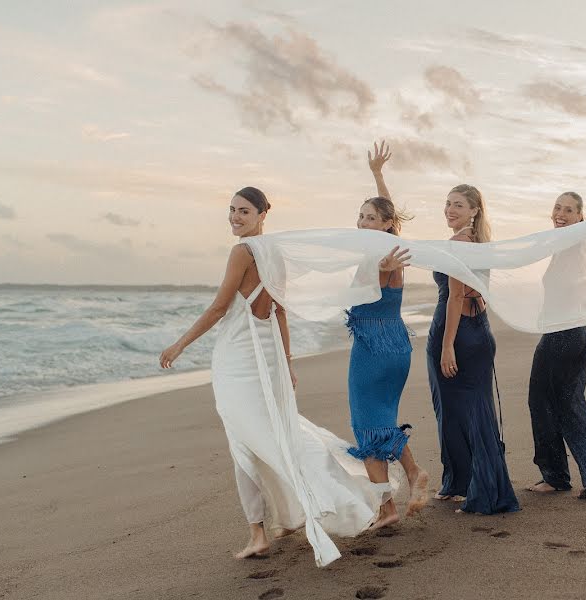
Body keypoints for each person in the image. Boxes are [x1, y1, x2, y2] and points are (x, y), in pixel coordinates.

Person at [159, 187, 394, 567]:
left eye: (244, 211)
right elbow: (278, 311)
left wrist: (179, 344)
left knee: (245, 441)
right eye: (232, 210)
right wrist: (286, 360)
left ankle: (260, 532)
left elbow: (221, 307)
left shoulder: (243, 252)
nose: (235, 217)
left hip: (239, 359)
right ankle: (282, 519)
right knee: (273, 433)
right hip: (265, 355)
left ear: (262, 213)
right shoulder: (275, 252)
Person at [404, 180, 520, 515]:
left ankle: (483, 492)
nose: (450, 210)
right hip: (478, 330)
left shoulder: (459, 243)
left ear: (473, 210)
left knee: (462, 413)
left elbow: (455, 295)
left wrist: (447, 347)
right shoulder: (479, 242)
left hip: (455, 333)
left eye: (458, 204)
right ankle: (459, 483)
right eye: (448, 203)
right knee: (467, 412)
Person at [344, 141, 430, 528]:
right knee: (380, 423)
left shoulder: (382, 256)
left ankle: (397, 497)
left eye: (369, 217)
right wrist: (378, 176)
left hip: (372, 348)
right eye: (360, 217)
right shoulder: (391, 246)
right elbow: (389, 219)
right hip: (396, 343)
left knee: (367, 427)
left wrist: (381, 264)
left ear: (384, 225)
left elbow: (381, 264)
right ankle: (400, 492)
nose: (362, 223)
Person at [526, 191, 586, 499]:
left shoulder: (569, 247)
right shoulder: (569, 248)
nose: (561, 213)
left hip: (563, 337)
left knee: (544, 404)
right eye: (557, 207)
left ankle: (556, 476)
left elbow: (583, 294)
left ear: (581, 217)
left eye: (569, 210)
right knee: (570, 403)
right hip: (578, 336)